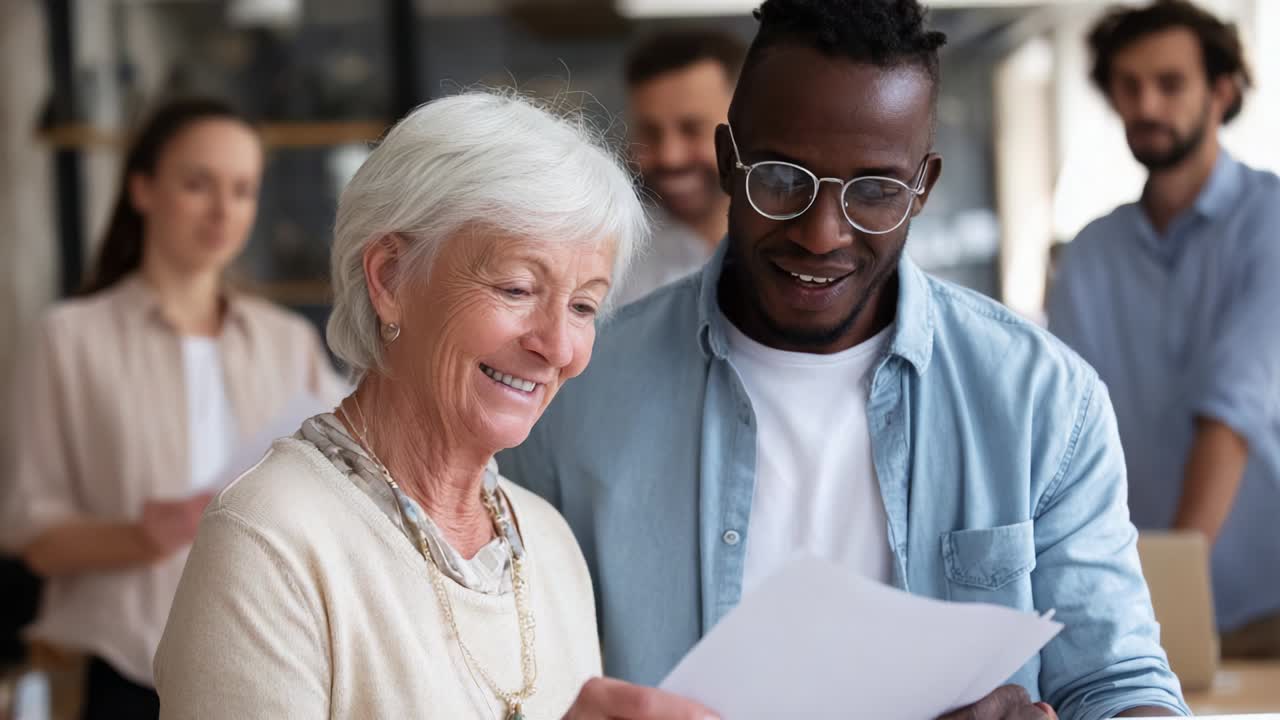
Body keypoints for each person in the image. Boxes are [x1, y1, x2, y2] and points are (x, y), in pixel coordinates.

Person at [500, 1, 1191, 718]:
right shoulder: (572, 392)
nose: (822, 234)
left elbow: (1120, 685)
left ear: (922, 188)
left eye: (874, 192)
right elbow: (498, 678)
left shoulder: (1043, 401)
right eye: (782, 178)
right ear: (729, 160)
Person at [152, 91, 674, 719]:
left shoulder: (548, 541)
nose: (556, 345)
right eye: (516, 288)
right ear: (390, 278)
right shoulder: (272, 541)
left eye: (584, 306)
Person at [0, 98, 345, 720]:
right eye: (198, 184)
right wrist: (138, 535)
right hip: (122, 675)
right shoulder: (66, 340)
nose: (223, 211)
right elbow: (33, 535)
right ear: (142, 188)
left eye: (243, 190)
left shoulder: (286, 342)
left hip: (270, 667)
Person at [1048, 0, 1280, 657]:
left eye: (1170, 83)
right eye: (1129, 85)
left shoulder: (1272, 222)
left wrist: (1158, 606)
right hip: (1128, 610)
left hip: (1263, 602)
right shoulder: (1089, 254)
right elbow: (1063, 433)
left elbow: (1230, 414)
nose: (1146, 104)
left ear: (1222, 91)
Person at [615, 29, 745, 305]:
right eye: (650, 133)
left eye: (692, 129)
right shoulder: (610, 255)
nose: (670, 157)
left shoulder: (804, 247)